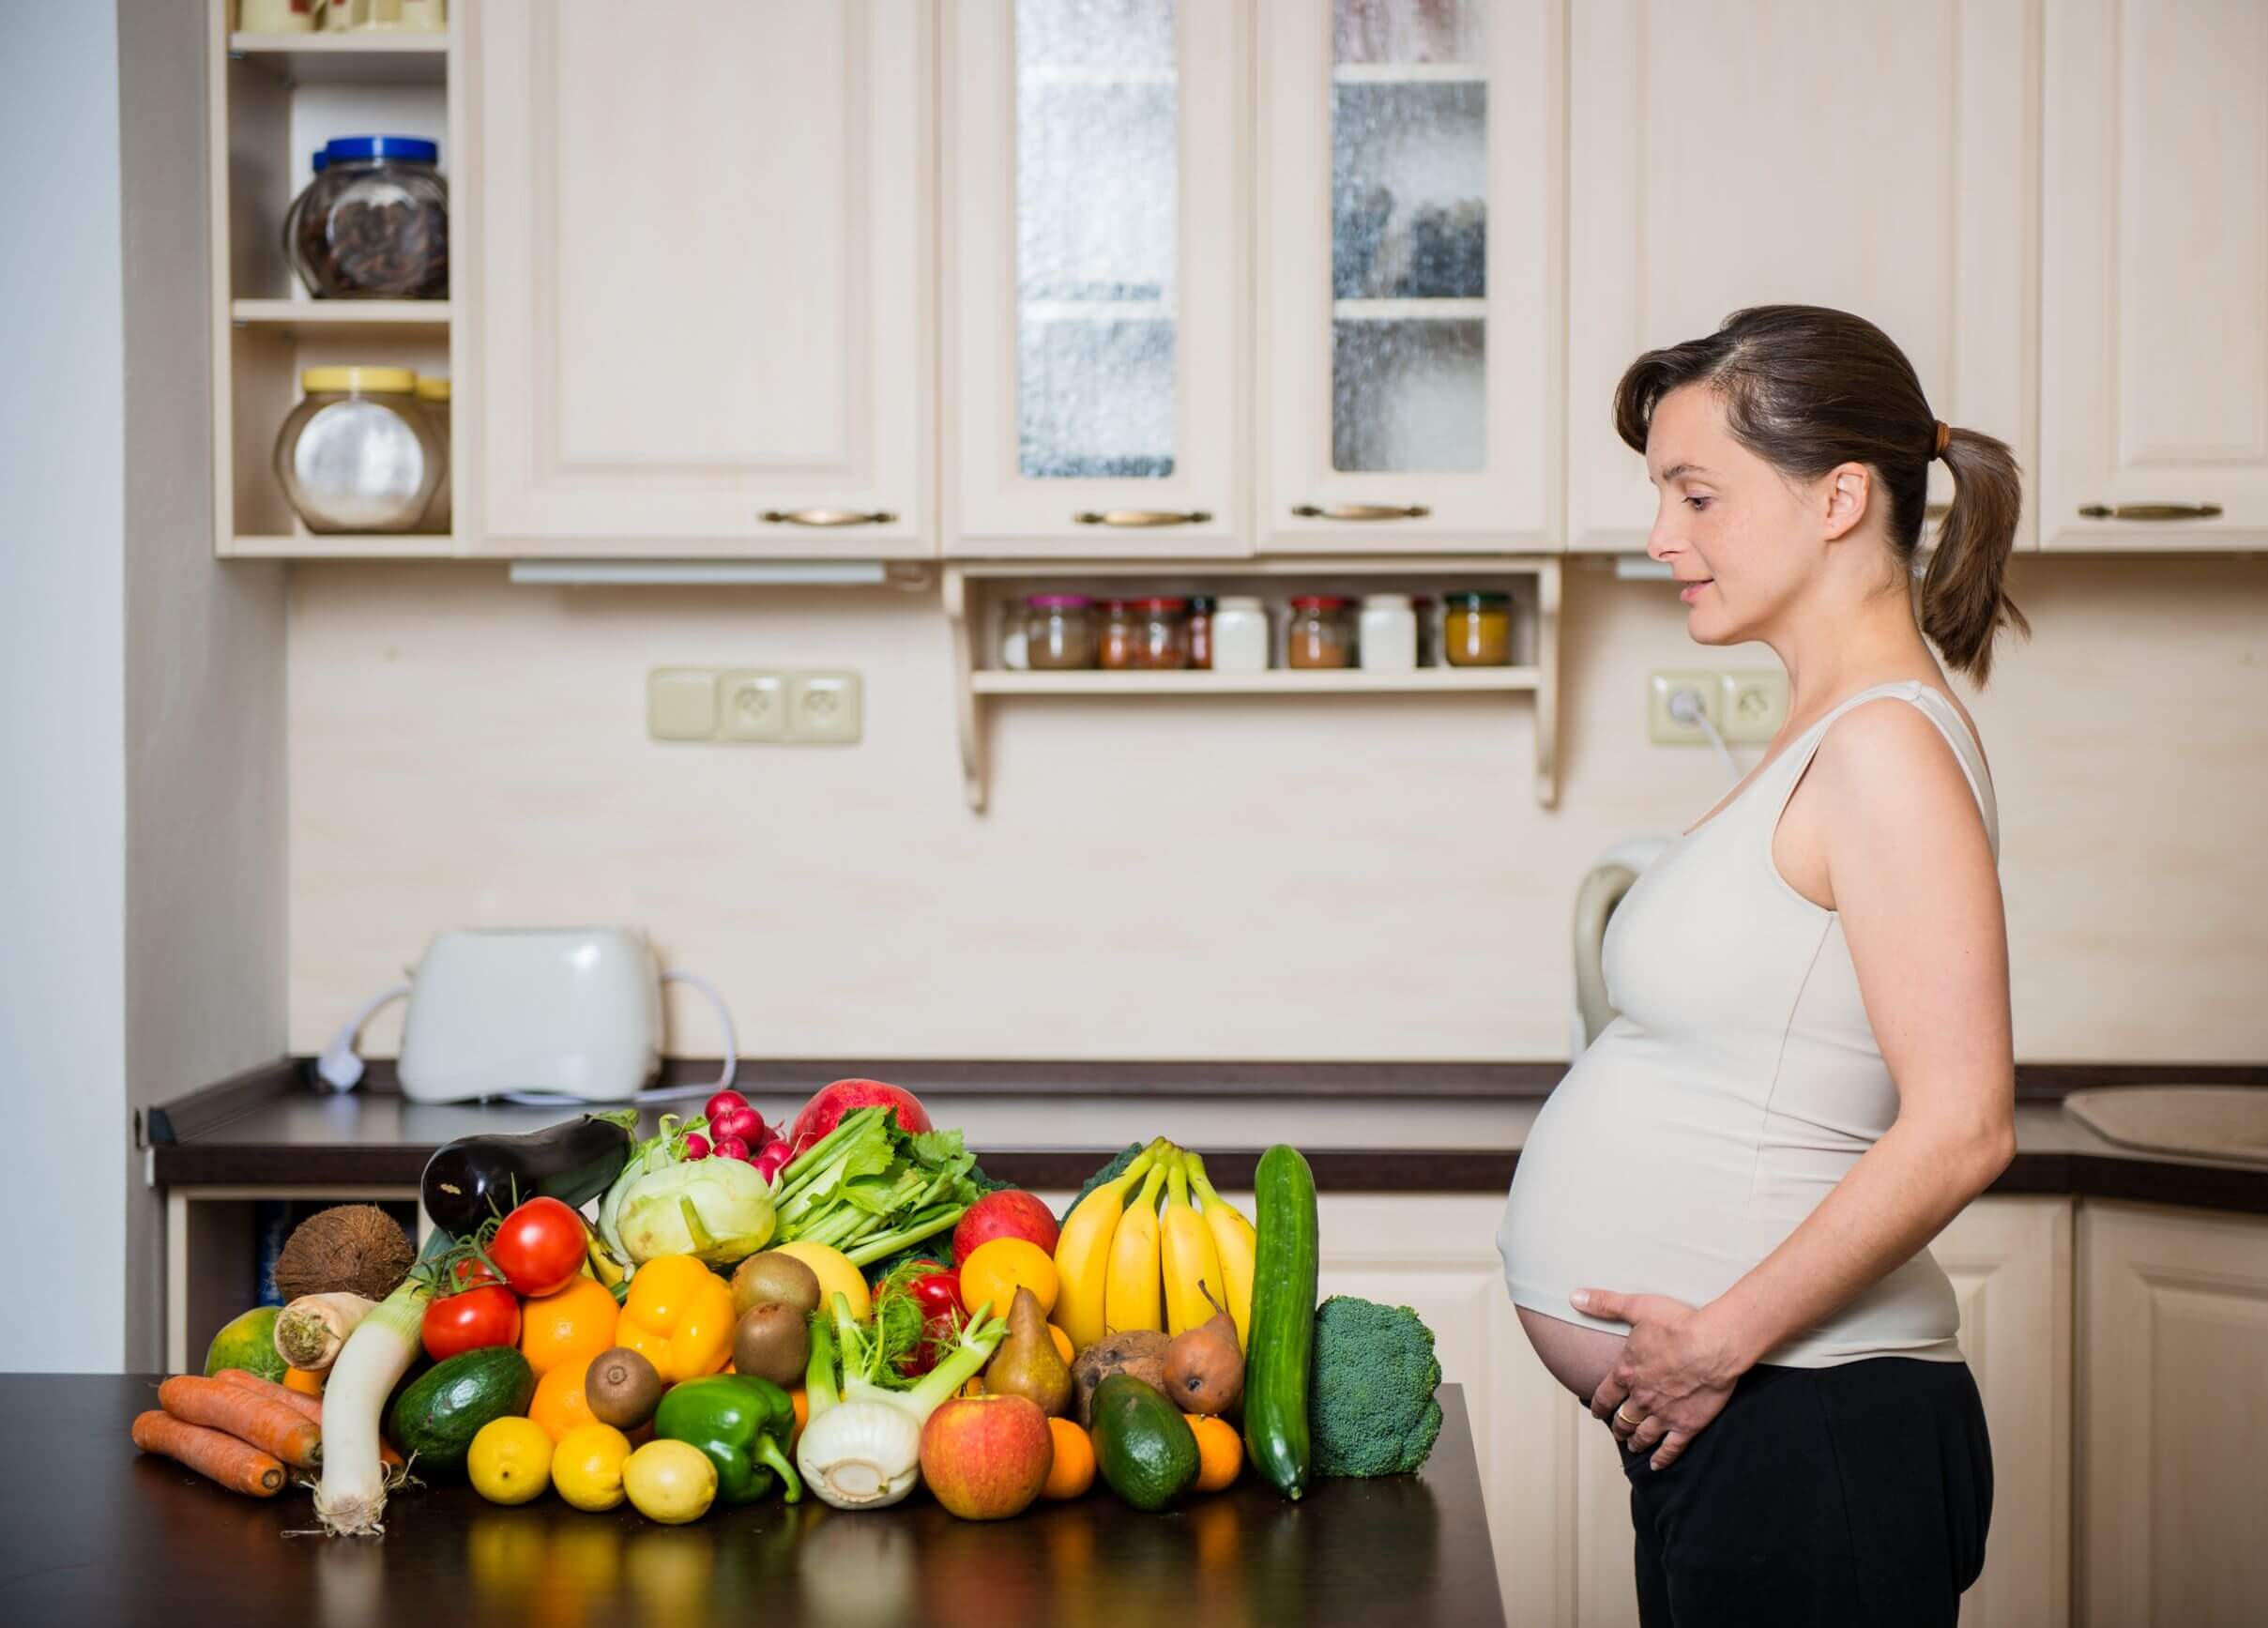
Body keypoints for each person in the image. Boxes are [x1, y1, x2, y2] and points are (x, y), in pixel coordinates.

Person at [1498, 304, 2027, 1626]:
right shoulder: (1831, 732)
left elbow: (1963, 1126)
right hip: (1753, 1423)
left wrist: (1713, 1342)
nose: (1658, 537)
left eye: (1696, 495)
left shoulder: (1884, 749)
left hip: (1810, 1425)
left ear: (1839, 498)